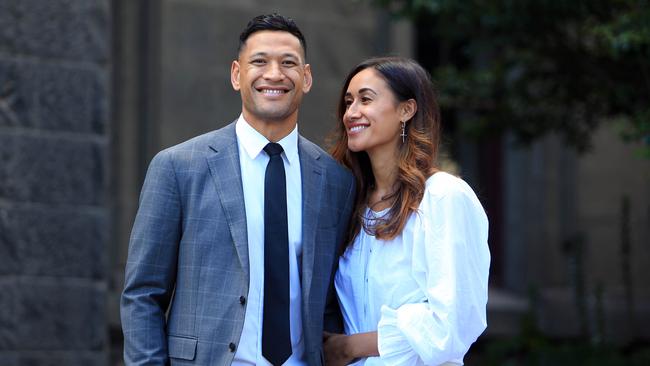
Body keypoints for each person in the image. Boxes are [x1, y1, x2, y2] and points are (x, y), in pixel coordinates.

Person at [120, 13, 355, 366]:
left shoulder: (336, 181)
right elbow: (143, 294)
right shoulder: (178, 167)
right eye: (259, 62)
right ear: (236, 74)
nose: (274, 74)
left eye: (288, 63)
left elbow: (332, 302)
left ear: (306, 78)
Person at [323, 57, 490, 365]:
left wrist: (350, 348)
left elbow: (450, 328)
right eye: (348, 102)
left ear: (406, 110)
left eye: (365, 99)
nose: (351, 113)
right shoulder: (352, 203)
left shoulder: (443, 197)